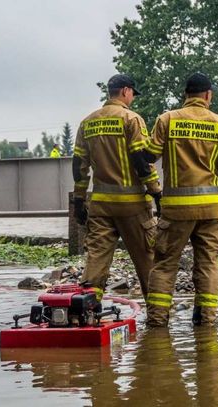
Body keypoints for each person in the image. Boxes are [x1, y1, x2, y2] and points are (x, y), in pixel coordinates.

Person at [145, 72, 218, 327]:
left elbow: (147, 157)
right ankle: (206, 324)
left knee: (165, 265)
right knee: (208, 264)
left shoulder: (167, 120)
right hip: (210, 211)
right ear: (208, 95)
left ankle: (157, 325)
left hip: (176, 211)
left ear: (185, 96)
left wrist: (151, 188)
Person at [72, 73, 161, 305]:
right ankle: (158, 320)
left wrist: (79, 200)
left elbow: (79, 166)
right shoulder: (131, 119)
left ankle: (87, 312)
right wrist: (156, 191)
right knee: (147, 261)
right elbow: (141, 160)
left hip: (100, 206)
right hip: (133, 206)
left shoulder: (87, 122)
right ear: (125, 91)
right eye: (132, 93)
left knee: (96, 261)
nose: (132, 98)